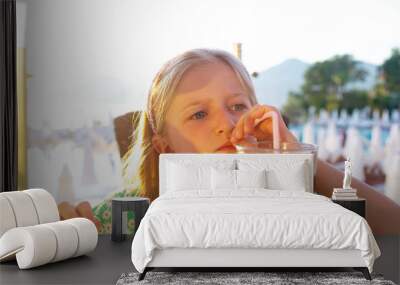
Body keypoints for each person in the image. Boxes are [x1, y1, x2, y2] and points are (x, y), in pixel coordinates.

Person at [62, 48, 400, 235]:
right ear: (163, 145)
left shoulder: (291, 202)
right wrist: (70, 237)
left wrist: (297, 158)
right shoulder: (128, 213)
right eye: (198, 114)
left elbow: (394, 227)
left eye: (238, 106)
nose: (228, 123)